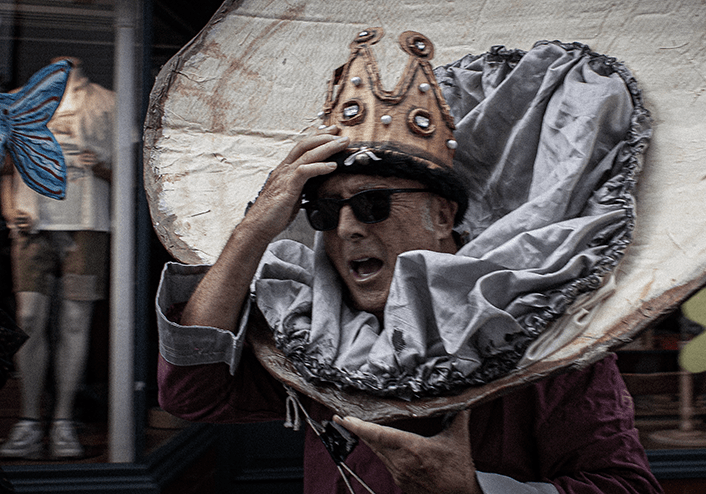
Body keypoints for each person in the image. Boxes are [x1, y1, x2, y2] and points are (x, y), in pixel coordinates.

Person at [156, 28, 661, 493]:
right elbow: (193, 393)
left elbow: (627, 485)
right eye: (326, 212)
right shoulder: (318, 335)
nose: (348, 228)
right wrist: (253, 229)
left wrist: (476, 491)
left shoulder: (540, 335)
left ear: (442, 215)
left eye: (373, 203)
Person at [0, 57, 114, 460]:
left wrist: (100, 166)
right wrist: (8, 206)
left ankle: (63, 420)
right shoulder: (17, 101)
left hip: (87, 227)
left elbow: (130, 172)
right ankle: (30, 421)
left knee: (75, 320)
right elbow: (6, 166)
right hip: (32, 227)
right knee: (29, 319)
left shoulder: (109, 102)